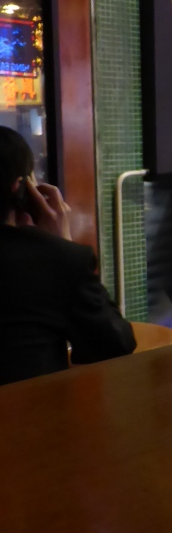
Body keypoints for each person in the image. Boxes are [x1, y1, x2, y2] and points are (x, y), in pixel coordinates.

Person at [0, 127, 135, 386]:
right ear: (21, 190)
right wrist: (61, 243)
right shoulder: (54, 260)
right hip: (29, 411)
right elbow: (115, 345)